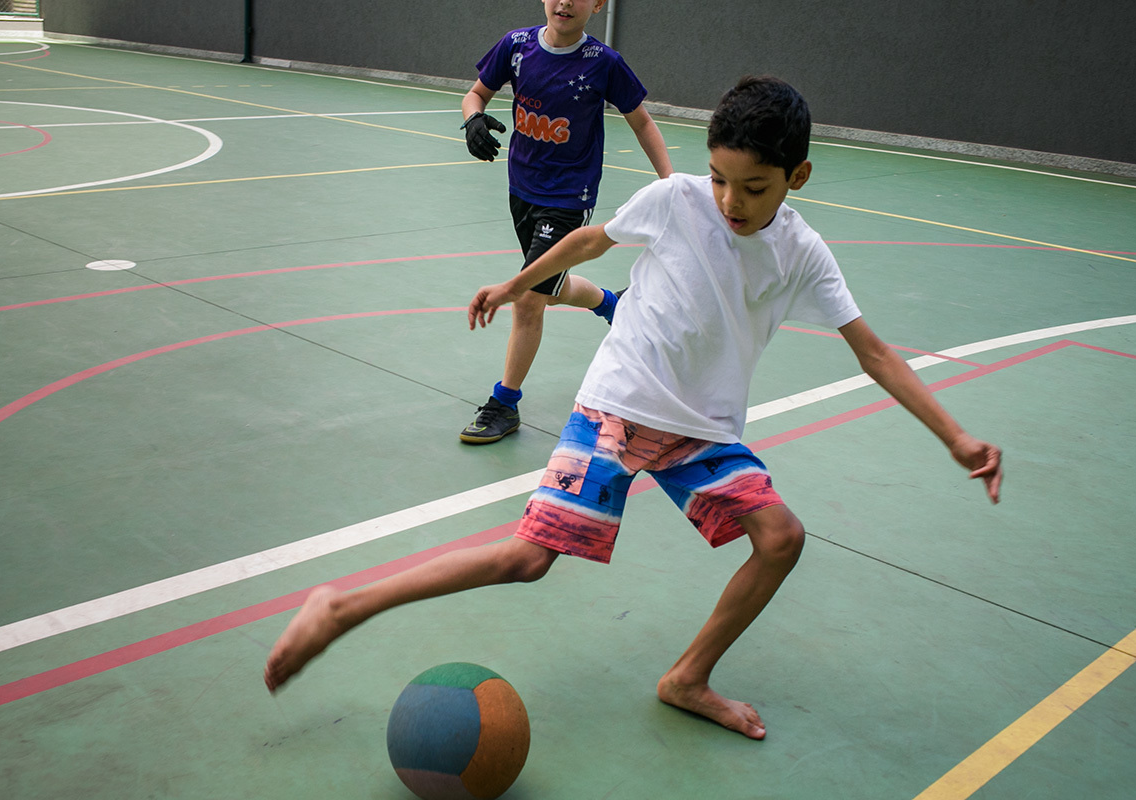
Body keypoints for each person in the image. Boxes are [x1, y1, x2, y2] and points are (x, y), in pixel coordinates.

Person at [264, 76, 1003, 740]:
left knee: (780, 538)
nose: (729, 201)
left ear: (796, 178)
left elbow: (871, 351)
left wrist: (956, 437)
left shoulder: (803, 253)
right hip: (619, 406)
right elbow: (590, 240)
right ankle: (341, 608)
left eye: (754, 187)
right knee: (528, 559)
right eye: (720, 178)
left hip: (701, 430)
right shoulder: (676, 199)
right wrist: (517, 284)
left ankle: (687, 677)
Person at [457, 0, 673, 444]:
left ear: (598, 5)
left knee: (530, 298)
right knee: (549, 289)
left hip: (568, 198)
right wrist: (473, 118)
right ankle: (612, 304)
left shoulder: (604, 63)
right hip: (521, 189)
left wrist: (671, 185)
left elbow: (642, 122)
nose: (566, 2)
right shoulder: (515, 47)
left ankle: (505, 403)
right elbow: (475, 92)